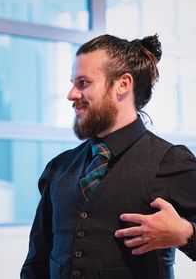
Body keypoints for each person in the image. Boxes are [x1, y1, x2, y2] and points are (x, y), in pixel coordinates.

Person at [20, 34, 196, 279]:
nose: (71, 94)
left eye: (83, 83)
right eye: (73, 83)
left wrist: (187, 233)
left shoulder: (172, 162)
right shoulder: (59, 168)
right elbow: (36, 263)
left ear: (123, 84)